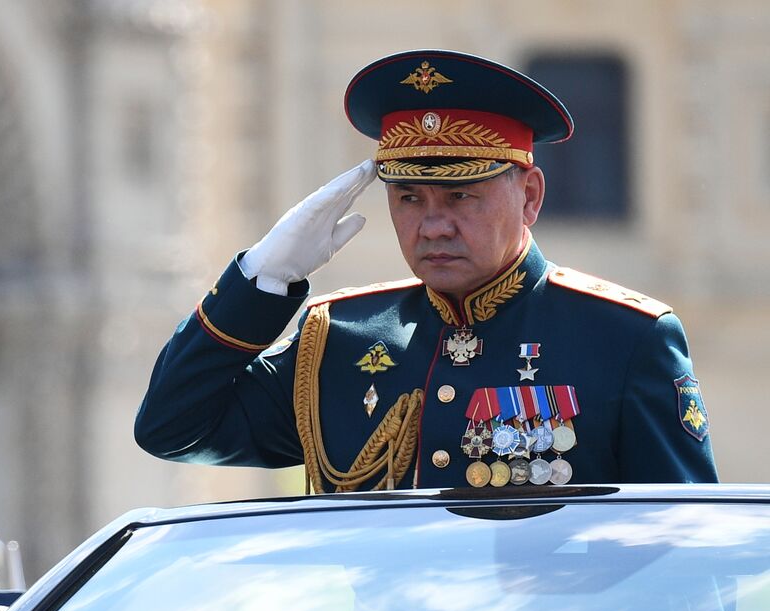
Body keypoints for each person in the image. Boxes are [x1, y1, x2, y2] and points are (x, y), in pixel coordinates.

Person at [136, 50, 716, 491]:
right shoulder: (337, 339)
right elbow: (173, 427)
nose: (433, 225)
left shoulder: (625, 337)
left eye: (461, 197)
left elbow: (682, 553)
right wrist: (261, 281)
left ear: (530, 196)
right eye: (409, 197)